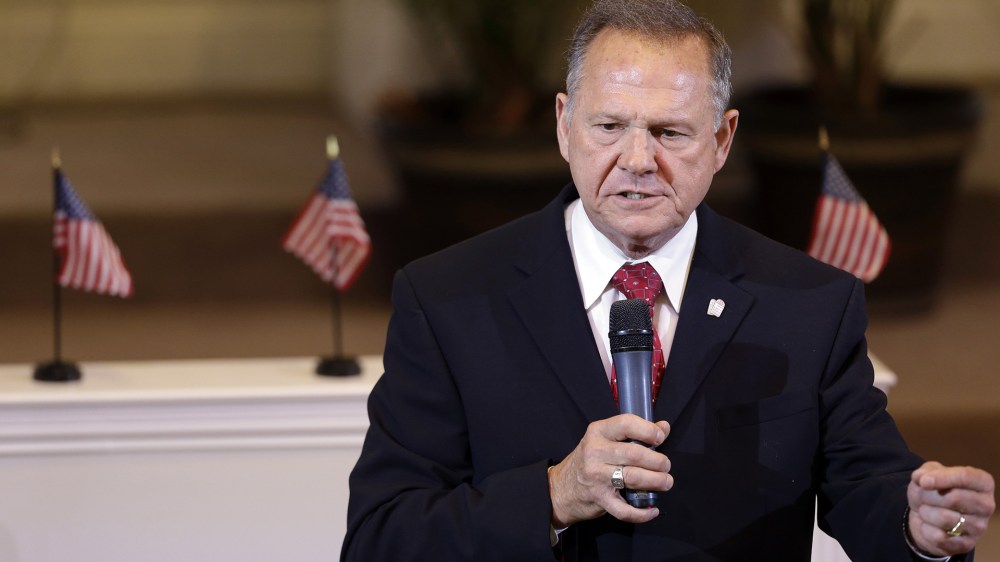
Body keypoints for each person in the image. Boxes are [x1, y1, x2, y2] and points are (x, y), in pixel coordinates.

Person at [341, 0, 996, 559]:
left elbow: (867, 485)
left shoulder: (809, 304)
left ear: (721, 140)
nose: (637, 160)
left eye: (670, 132)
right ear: (565, 126)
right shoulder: (449, 299)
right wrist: (550, 497)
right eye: (609, 126)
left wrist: (920, 525)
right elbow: (381, 537)